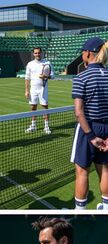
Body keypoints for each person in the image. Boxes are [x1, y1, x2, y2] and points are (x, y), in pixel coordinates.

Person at [69, 37, 108, 210]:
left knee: (82, 171)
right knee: (105, 169)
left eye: (83, 51)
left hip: (88, 129)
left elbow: (79, 112)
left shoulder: (81, 77)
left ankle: (80, 210)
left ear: (88, 53)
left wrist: (91, 136)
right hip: (106, 128)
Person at [24, 47, 54, 134]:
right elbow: (27, 78)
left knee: (45, 107)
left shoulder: (47, 63)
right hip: (33, 89)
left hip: (43, 89)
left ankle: (46, 126)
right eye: (36, 53)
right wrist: (26, 90)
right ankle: (33, 126)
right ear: (33, 54)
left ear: (41, 53)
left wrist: (45, 76)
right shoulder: (30, 64)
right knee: (33, 107)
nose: (37, 54)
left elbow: (52, 76)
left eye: (39, 53)